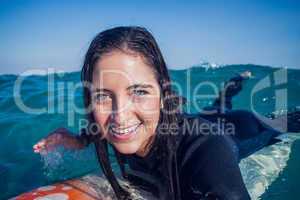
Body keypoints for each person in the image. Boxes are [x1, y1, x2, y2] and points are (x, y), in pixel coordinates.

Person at [33, 26, 299, 200]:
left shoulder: (206, 150)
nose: (120, 115)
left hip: (247, 127)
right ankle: (232, 84)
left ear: (163, 93)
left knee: (286, 121)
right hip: (199, 119)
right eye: (103, 96)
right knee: (217, 106)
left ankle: (235, 83)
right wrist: (78, 140)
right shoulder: (111, 125)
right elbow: (101, 130)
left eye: (138, 91)